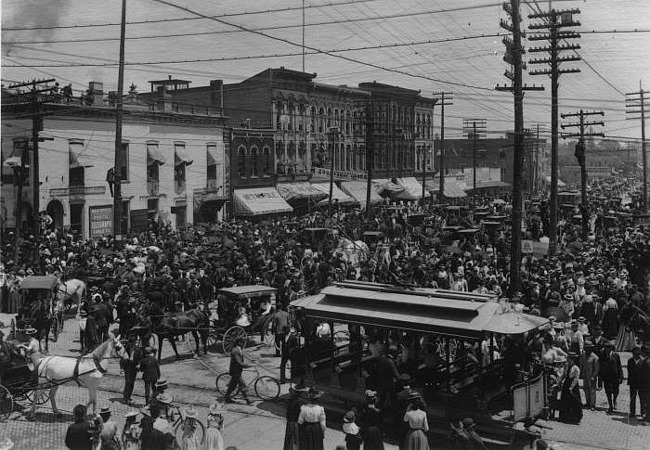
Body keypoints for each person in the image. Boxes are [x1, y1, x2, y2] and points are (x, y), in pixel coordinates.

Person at [224, 337, 252, 404]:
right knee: (243, 385)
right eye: (243, 342)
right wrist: (246, 365)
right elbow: (238, 362)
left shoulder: (238, 349)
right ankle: (247, 400)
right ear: (239, 343)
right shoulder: (236, 351)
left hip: (236, 370)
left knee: (232, 386)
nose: (244, 343)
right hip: (235, 371)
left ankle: (227, 398)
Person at [599, 341, 623, 413]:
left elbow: (619, 366)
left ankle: (614, 400)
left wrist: (621, 376)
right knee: (608, 391)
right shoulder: (602, 355)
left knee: (616, 391)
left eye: (609, 348)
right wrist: (600, 378)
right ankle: (610, 405)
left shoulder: (616, 355)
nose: (607, 349)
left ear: (611, 348)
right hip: (606, 377)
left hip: (615, 376)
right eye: (606, 348)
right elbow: (601, 366)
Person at [558, 353, 582, 424]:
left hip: (573, 386)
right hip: (566, 383)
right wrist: (560, 381)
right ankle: (564, 416)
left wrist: (571, 387)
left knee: (574, 401)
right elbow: (564, 375)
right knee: (565, 400)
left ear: (572, 360)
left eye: (569, 359)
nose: (568, 361)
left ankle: (575, 417)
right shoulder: (566, 366)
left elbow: (576, 379)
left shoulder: (576, 368)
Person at [284, 383, 307, 450]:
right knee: (295, 440)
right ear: (301, 392)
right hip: (295, 423)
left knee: (289, 440)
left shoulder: (292, 399)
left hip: (290, 422)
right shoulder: (299, 401)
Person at [120, 337, 140, 405]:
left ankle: (129, 397)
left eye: (135, 343)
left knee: (132, 383)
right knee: (128, 382)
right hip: (127, 367)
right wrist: (121, 368)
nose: (134, 345)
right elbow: (122, 359)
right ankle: (125, 398)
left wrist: (139, 364)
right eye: (133, 343)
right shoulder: (126, 349)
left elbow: (140, 358)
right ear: (130, 343)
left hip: (134, 368)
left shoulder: (138, 349)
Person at [627, 346, 645, 418]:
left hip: (641, 383)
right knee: (632, 398)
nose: (636, 355)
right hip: (633, 382)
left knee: (642, 398)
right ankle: (632, 412)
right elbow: (629, 371)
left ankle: (643, 412)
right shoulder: (630, 361)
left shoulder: (643, 361)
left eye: (638, 354)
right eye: (635, 354)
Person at [581, 342, 599, 411]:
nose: (587, 350)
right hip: (585, 375)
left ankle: (592, 404)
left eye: (588, 348)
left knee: (592, 391)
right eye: (586, 348)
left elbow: (596, 368)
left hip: (591, 376)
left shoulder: (595, 357)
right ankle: (587, 402)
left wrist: (593, 376)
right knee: (586, 389)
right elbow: (582, 364)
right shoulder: (583, 355)